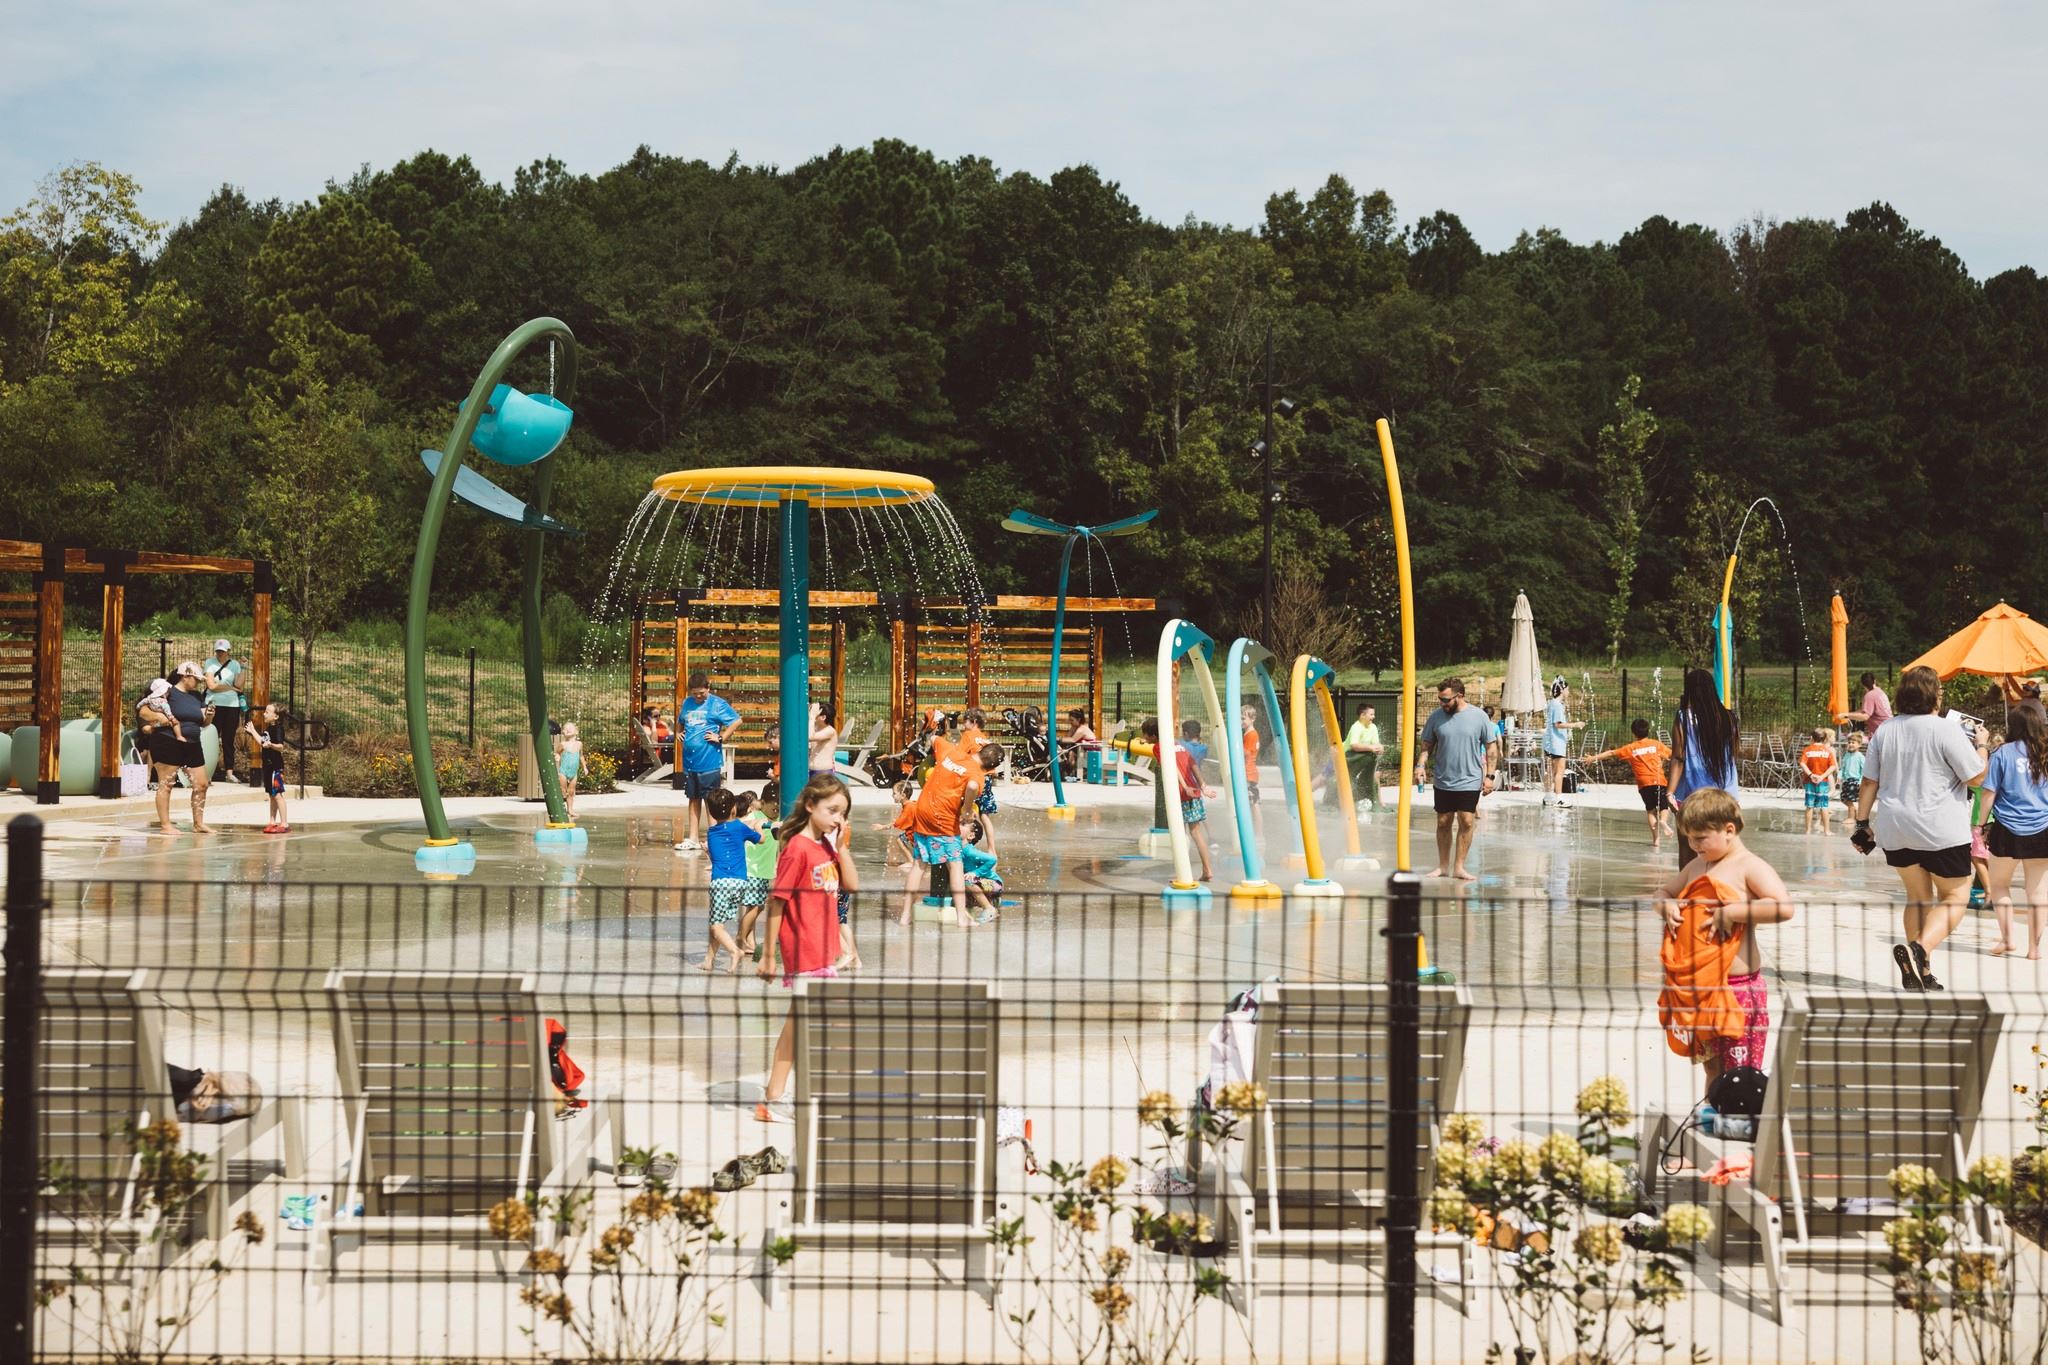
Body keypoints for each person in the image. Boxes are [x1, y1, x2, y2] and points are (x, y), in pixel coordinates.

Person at [1851, 665, 1986, 992]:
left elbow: (1870, 781)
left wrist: (1862, 823)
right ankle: (1919, 949)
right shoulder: (1946, 730)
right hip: (1940, 828)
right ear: (1933, 695)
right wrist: (1981, 746)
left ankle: (1921, 972)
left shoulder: (1885, 731)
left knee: (1917, 898)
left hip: (1895, 827)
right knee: (1956, 895)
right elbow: (1976, 777)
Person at [1655, 788, 1794, 1094]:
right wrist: (1666, 905)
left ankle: (1738, 1122)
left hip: (1739, 989)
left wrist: (1734, 911)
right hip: (1702, 989)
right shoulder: (1696, 866)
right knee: (1712, 1066)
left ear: (1728, 830)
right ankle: (1712, 1114)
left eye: (1700, 838)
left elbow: (1783, 906)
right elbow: (1663, 892)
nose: (1693, 845)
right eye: (1689, 838)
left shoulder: (1749, 866)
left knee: (1740, 1070)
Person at [755, 774, 857, 1123]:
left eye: (842, 813)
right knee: (821, 1026)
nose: (837, 819)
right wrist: (768, 955)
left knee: (798, 1027)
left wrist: (841, 845)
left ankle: (774, 1096)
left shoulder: (825, 848)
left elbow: (851, 885)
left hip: (821, 951)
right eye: (831, 810)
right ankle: (806, 1096)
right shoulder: (797, 849)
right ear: (810, 805)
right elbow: (777, 903)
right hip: (804, 951)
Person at [896, 731, 1005, 928]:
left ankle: (905, 915)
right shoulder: (977, 775)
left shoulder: (951, 751)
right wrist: (966, 810)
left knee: (919, 865)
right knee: (955, 865)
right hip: (943, 818)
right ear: (992, 768)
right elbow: (972, 785)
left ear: (980, 750)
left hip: (922, 810)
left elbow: (933, 739)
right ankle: (962, 917)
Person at [1980, 701, 2048, 959]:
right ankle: (2035, 948)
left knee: (1998, 885)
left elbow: (1989, 794)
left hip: (2007, 828)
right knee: (2038, 892)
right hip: (2043, 828)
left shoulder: (2002, 753)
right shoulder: (2046, 752)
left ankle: (2008, 940)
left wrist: (1979, 825)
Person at [1415, 677, 1498, 881]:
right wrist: (1419, 765)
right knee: (1443, 821)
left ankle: (1459, 867)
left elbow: (1491, 748)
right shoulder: (1436, 717)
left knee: (1467, 821)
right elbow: (1426, 746)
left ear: (1459, 696)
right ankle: (1443, 866)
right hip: (1444, 777)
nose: (1442, 704)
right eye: (1440, 700)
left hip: (1470, 778)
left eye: (1446, 700)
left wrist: (1489, 777)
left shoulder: (1479, 716)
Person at [1666, 668, 1740, 869]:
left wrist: (1670, 792)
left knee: (1688, 846)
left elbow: (1678, 757)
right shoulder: (1729, 718)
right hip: (1726, 792)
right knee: (1722, 846)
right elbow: (1732, 755)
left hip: (1693, 791)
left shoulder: (1683, 717)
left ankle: (1689, 892)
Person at [674, 672, 740, 850]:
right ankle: (693, 838)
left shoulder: (717, 704)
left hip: (709, 760)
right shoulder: (687, 703)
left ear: (708, 688)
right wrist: (678, 732)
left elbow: (736, 721)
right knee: (693, 798)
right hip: (690, 762)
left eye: (701, 693)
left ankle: (714, 837)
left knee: (711, 800)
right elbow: (680, 721)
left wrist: (721, 737)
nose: (698, 696)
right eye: (694, 693)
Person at [1585, 719, 1672, 848]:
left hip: (1643, 783)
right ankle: (1664, 821)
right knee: (1664, 807)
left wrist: (1593, 758)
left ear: (1633, 733)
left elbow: (1611, 753)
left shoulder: (1631, 748)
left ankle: (1656, 840)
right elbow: (1672, 755)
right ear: (1648, 731)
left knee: (1650, 811)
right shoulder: (1656, 744)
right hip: (1659, 780)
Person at [701, 788, 759, 973]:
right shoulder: (740, 827)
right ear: (734, 809)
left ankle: (735, 951)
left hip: (721, 884)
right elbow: (761, 839)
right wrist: (758, 827)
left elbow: (716, 859)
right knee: (717, 925)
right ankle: (708, 961)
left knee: (716, 927)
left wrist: (706, 851)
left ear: (710, 812)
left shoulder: (712, 833)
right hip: (741, 883)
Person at [154, 664, 217, 834]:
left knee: (202, 784)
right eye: (196, 679)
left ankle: (198, 824)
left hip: (193, 742)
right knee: (167, 784)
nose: (198, 682)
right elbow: (147, 709)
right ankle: (165, 825)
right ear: (185, 676)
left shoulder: (197, 696)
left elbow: (204, 722)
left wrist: (210, 715)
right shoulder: (168, 692)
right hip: (168, 741)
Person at [734, 789, 780, 958]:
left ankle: (748, 941)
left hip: (764, 871)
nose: (776, 806)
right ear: (761, 803)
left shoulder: (779, 819)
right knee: (757, 906)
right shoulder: (754, 817)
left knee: (753, 907)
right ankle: (740, 937)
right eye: (771, 803)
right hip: (752, 870)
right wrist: (757, 825)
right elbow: (738, 824)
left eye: (778, 803)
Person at [1173, 728, 1215, 883]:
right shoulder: (1181, 746)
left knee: (1181, 834)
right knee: (1197, 833)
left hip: (1183, 794)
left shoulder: (1160, 747)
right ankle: (1207, 870)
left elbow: (1173, 767)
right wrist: (1203, 786)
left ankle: (1182, 873)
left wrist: (1184, 787)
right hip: (1195, 791)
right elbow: (1194, 765)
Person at [203, 639, 245, 785]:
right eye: (218, 651)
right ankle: (207, 772)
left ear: (228, 651)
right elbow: (211, 686)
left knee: (228, 739)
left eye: (223, 651)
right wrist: (230, 688)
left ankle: (229, 772)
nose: (220, 653)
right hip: (214, 703)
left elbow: (239, 686)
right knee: (211, 737)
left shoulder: (235, 665)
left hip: (232, 706)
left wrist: (244, 668)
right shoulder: (209, 662)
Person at [244, 702, 290, 833]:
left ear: (276, 716)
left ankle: (284, 823)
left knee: (278, 794)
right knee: (271, 794)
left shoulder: (278, 729)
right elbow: (262, 742)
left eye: (267, 712)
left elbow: (281, 747)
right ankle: (272, 821)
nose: (264, 714)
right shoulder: (268, 729)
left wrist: (271, 745)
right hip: (268, 766)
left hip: (276, 766)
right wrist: (252, 731)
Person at [1542, 679, 1585, 807]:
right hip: (1557, 743)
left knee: (1549, 771)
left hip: (1549, 742)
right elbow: (1558, 724)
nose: (1568, 691)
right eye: (1567, 689)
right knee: (1559, 771)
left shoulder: (1550, 703)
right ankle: (1559, 798)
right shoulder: (1557, 705)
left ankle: (1548, 796)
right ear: (1561, 690)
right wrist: (1575, 725)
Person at [1798, 728, 1838, 835]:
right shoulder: (1827, 751)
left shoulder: (1807, 750)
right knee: (1824, 806)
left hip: (1810, 782)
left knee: (1809, 806)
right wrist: (1822, 776)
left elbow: (1802, 763)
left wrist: (1811, 775)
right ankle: (1826, 830)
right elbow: (1833, 766)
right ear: (1825, 739)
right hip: (1823, 782)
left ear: (1811, 738)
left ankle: (1807, 830)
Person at [1345, 704, 1383, 813]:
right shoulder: (1356, 727)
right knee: (1329, 778)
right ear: (1362, 715)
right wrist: (1371, 748)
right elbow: (1354, 746)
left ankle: (1378, 802)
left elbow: (1376, 743)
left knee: (1373, 778)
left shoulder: (1373, 727)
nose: (1373, 717)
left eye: (1373, 714)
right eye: (1371, 714)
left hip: (1364, 756)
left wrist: (1380, 747)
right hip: (1348, 757)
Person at [1843, 671, 1893, 737]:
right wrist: (1849, 714)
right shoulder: (1880, 692)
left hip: (1881, 732)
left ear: (1862, 684)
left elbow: (1865, 716)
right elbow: (1864, 710)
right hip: (1889, 728)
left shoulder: (1870, 695)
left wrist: (1846, 715)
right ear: (1875, 681)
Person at [555, 722, 583, 818]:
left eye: (570, 728)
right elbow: (557, 753)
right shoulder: (563, 744)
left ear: (576, 732)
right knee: (563, 791)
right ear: (563, 732)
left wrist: (585, 767)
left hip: (574, 773)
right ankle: (560, 809)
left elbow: (581, 756)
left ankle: (570, 810)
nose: (568, 729)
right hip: (563, 771)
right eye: (565, 728)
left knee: (571, 792)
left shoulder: (579, 744)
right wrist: (557, 756)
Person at [1240, 704, 1263, 806]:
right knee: (1252, 804)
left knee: (1253, 804)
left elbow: (1247, 753)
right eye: (1239, 718)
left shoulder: (1251, 734)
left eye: (1243, 719)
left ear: (1252, 719)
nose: (1241, 721)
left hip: (1248, 774)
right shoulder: (1249, 733)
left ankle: (1258, 822)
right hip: (1250, 772)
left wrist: (1235, 747)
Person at [808, 700, 838, 778]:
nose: (811, 714)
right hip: (812, 770)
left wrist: (812, 717)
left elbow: (810, 737)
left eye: (815, 713)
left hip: (823, 772)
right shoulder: (815, 729)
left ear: (823, 717)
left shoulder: (830, 731)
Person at [1840, 731, 1867, 808]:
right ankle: (1854, 812)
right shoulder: (1846, 755)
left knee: (1850, 800)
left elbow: (1864, 770)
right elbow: (1843, 767)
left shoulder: (1860, 756)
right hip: (1846, 781)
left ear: (1859, 745)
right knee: (1843, 798)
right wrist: (1839, 776)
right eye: (1849, 742)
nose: (1850, 744)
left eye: (1853, 742)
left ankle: (1851, 816)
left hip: (1855, 781)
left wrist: (1860, 781)